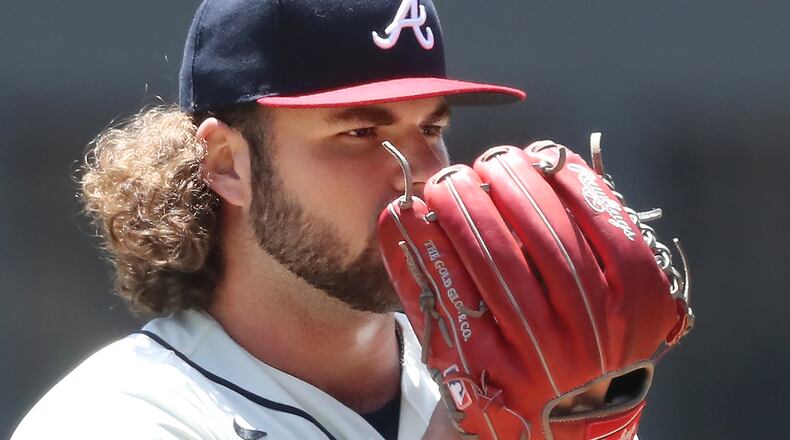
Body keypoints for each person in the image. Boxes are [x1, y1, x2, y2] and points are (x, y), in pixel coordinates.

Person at [12, 1, 619, 439]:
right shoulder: (121, 416)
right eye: (361, 133)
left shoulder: (513, 380)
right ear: (228, 163)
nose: (420, 174)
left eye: (431, 129)